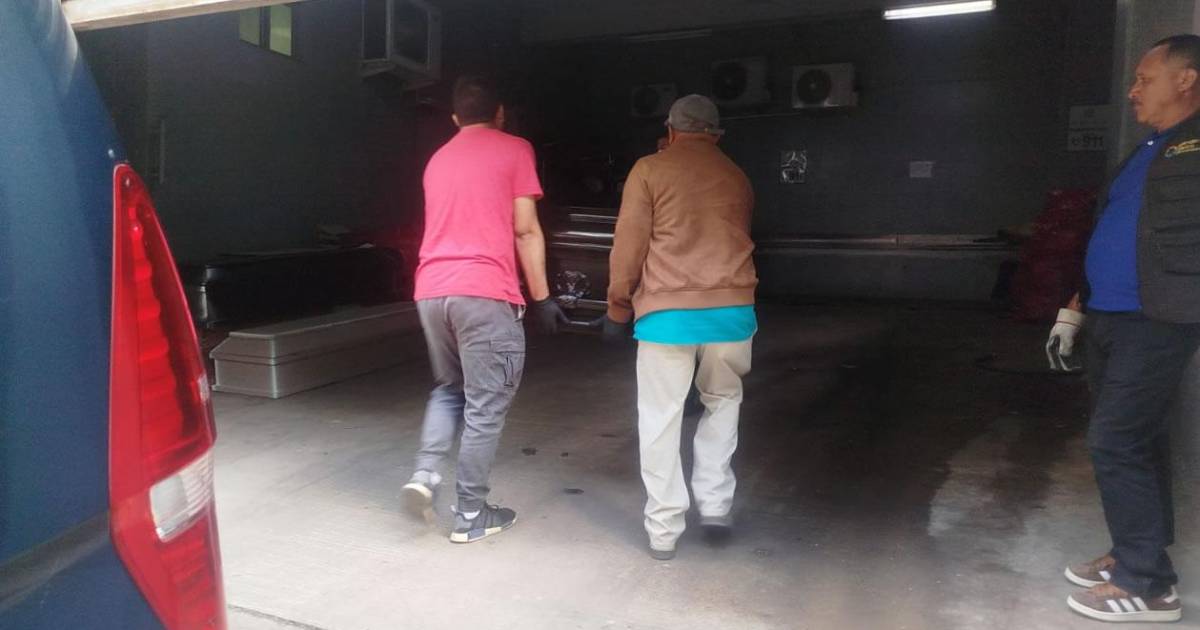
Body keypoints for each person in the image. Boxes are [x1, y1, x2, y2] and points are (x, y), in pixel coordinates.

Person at [1046, 35, 1200, 623]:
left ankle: (1150, 586)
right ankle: (1134, 551)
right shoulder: (1149, 150)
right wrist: (1075, 306)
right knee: (1140, 439)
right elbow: (1111, 231)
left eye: (1145, 78)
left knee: (1115, 441)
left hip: (1156, 319)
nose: (1133, 90)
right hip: (1109, 317)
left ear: (1185, 79)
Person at [401, 76, 568, 544]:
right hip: (483, 292)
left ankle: (425, 474)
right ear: (500, 114)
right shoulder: (514, 148)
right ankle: (472, 514)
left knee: (449, 388)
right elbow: (525, 229)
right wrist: (543, 298)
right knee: (485, 405)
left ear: (455, 118)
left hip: (431, 290)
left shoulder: (438, 159)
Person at [602, 94, 758, 560]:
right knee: (723, 401)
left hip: (667, 315)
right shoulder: (737, 175)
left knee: (660, 415)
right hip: (732, 311)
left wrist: (617, 308)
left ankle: (664, 528)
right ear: (717, 134)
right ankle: (716, 505)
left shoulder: (649, 170)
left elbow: (629, 245)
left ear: (669, 131)